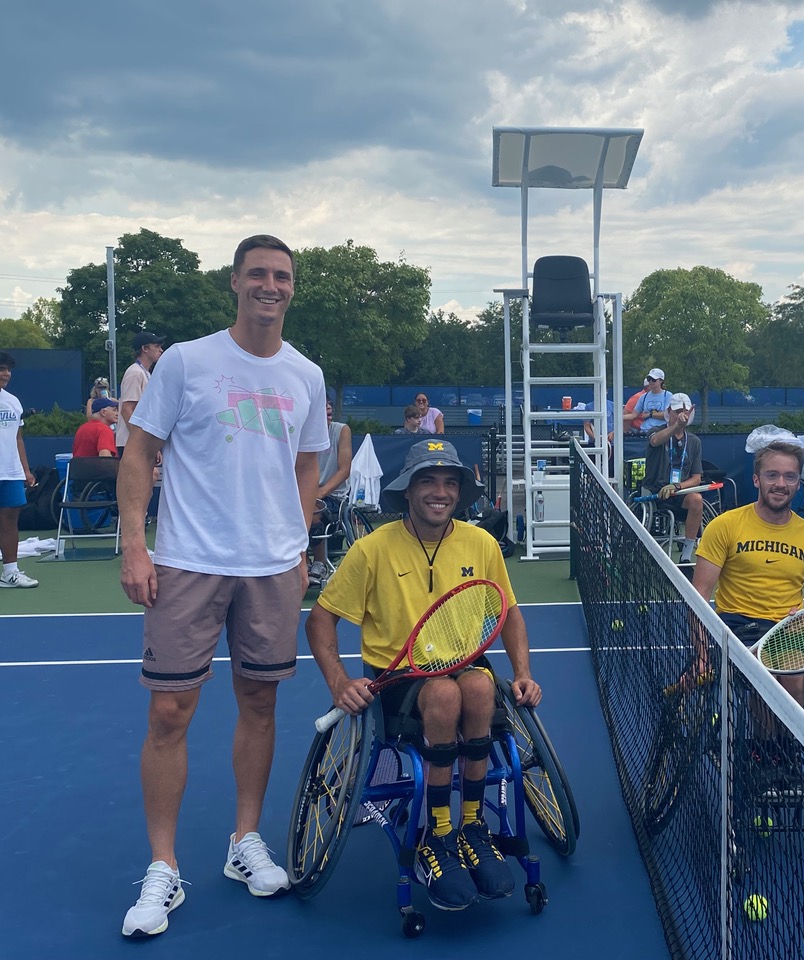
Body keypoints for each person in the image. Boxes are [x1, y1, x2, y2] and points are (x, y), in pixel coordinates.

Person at [117, 235, 329, 937]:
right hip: (187, 561)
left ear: (292, 288)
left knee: (260, 704)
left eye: (282, 276)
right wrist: (135, 546)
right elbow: (140, 452)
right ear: (235, 282)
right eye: (258, 274)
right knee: (170, 715)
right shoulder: (185, 362)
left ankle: (244, 843)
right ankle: (163, 868)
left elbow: (307, 469)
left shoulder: (306, 374)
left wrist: (298, 545)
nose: (271, 285)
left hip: (271, 567)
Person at [305, 439, 541, 911]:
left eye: (449, 483)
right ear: (408, 491)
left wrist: (522, 672)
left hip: (465, 662)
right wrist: (338, 682)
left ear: (460, 492)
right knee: (443, 695)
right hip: (399, 678)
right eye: (428, 482)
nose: (440, 492)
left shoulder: (481, 543)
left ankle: (472, 826)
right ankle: (437, 833)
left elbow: (509, 611)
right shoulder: (372, 550)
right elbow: (320, 618)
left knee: (476, 684)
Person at [692, 440, 804, 711]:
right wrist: (701, 656)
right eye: (772, 475)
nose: (781, 483)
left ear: (798, 484)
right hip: (737, 628)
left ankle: (783, 748)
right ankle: (766, 748)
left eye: (789, 476)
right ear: (756, 480)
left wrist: (802, 623)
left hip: (788, 630)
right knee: (766, 672)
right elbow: (698, 598)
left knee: (791, 675)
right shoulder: (725, 526)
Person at [641, 393, 704, 563]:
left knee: (697, 500)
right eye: (677, 411)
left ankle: (686, 557)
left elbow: (696, 478)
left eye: (685, 411)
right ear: (669, 411)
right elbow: (655, 441)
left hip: (679, 493)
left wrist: (677, 486)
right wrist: (676, 426)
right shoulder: (656, 431)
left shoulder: (694, 441)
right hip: (655, 493)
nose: (682, 415)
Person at [0, 351, 38, 589]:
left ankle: (10, 572)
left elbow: (18, 438)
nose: (5, 374)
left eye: (8, 370)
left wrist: (25, 470)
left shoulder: (13, 401)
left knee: (10, 521)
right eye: (1, 369)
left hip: (10, 472)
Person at [307, 400, 353, 585]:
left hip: (334, 497)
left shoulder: (341, 430)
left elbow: (345, 470)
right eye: (322, 406)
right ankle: (300, 565)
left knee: (311, 509)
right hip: (307, 493)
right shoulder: (302, 433)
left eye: (329, 406)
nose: (328, 409)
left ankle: (320, 564)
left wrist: (320, 492)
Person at [117, 330, 165, 456]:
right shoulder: (135, 373)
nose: (161, 350)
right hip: (130, 442)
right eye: (157, 346)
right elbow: (127, 409)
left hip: (137, 442)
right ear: (145, 348)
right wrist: (141, 442)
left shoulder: (145, 373)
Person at [623, 369, 672, 435]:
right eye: (649, 379)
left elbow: (668, 415)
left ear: (661, 381)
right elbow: (633, 415)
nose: (651, 381)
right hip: (645, 432)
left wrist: (650, 415)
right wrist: (618, 417)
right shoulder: (643, 397)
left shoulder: (668, 395)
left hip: (662, 431)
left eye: (654, 379)